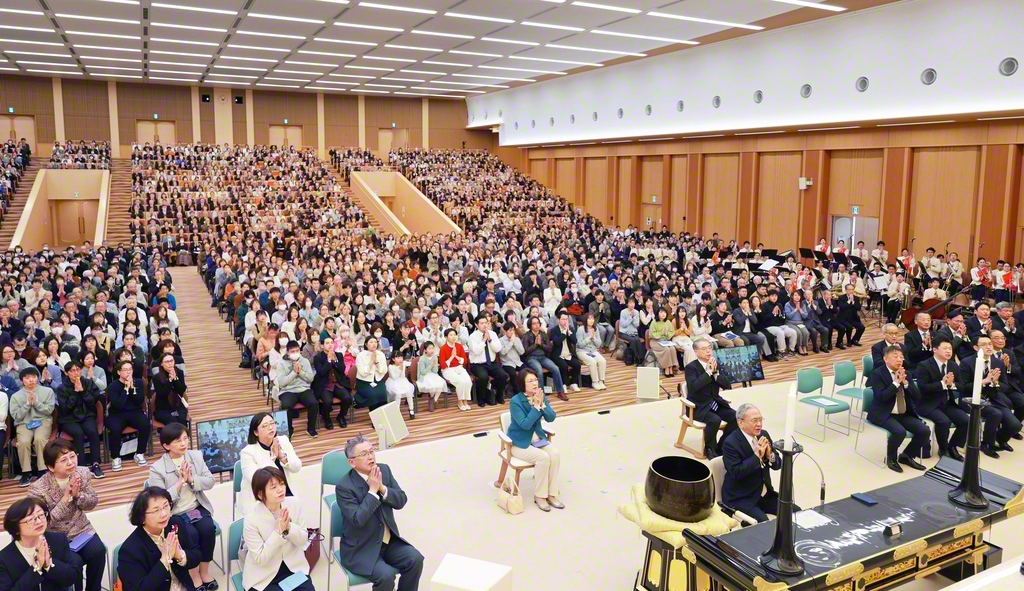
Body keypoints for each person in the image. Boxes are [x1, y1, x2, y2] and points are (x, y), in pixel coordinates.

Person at [335, 436, 423, 591]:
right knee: (386, 576)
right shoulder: (344, 487)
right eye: (364, 454)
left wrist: (382, 488)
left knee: (415, 559)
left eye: (371, 451)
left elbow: (401, 501)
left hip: (388, 541)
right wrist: (373, 491)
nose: (370, 457)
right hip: (361, 548)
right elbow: (357, 519)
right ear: (352, 462)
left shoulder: (384, 470)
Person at [148, 423, 219, 591]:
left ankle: (204, 572)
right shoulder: (157, 469)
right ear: (166, 445)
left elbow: (210, 481)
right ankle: (194, 575)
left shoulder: (195, 456)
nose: (183, 443)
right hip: (174, 513)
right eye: (178, 440)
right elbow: (159, 500)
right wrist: (180, 482)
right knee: (190, 535)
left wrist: (192, 480)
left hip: (196, 507)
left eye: (185, 438)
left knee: (208, 529)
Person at [27, 440, 105, 591]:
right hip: (55, 537)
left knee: (98, 551)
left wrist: (78, 495)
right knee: (74, 564)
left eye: (72, 456)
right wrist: (66, 498)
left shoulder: (82, 473)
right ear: (50, 467)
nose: (70, 462)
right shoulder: (37, 489)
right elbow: (44, 523)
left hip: (82, 529)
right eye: (63, 460)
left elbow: (92, 503)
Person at [242, 467, 315, 591]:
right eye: (273, 487)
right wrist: (278, 532)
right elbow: (260, 559)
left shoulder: (294, 503)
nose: (280, 489)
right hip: (263, 576)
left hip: (293, 568)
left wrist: (288, 527)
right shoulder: (251, 519)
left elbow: (303, 540)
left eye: (282, 484)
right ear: (260, 494)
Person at [117, 487, 201, 591]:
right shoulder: (130, 550)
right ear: (141, 518)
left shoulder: (175, 524)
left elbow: (196, 555)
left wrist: (179, 555)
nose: (164, 514)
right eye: (156, 510)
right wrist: (164, 560)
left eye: (166, 506)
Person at [722, 403, 795, 523]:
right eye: (754, 420)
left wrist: (770, 455)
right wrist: (756, 456)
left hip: (764, 494)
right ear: (741, 423)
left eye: (760, 419)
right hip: (742, 497)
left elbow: (777, 465)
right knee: (764, 525)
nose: (759, 424)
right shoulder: (730, 443)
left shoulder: (763, 434)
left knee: (796, 512)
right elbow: (736, 473)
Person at [866, 345, 930, 473]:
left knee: (924, 431)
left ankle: (907, 456)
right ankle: (891, 458)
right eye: (895, 357)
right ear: (886, 359)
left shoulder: (906, 374)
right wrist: (895, 383)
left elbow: (917, 396)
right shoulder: (877, 374)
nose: (899, 360)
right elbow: (882, 397)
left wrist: (905, 383)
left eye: (901, 357)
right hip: (884, 413)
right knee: (899, 432)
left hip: (902, 412)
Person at [508, 369, 563, 512]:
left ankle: (552, 494)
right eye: (530, 381)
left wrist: (542, 405)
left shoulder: (540, 396)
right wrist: (536, 407)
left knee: (555, 454)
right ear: (522, 384)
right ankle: (540, 496)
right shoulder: (515, 401)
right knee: (543, 457)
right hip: (520, 443)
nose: (534, 383)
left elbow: (551, 418)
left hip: (538, 439)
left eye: (536, 380)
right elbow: (525, 425)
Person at [957, 336, 1021, 458]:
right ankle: (987, 444)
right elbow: (963, 387)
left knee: (1015, 425)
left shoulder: (998, 362)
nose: (988, 347)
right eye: (984, 344)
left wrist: (995, 383)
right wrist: (984, 381)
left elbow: (1005, 386)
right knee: (995, 414)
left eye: (990, 344)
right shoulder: (967, 362)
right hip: (971, 399)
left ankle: (999, 439)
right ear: (976, 348)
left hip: (992, 398)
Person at [0, 497, 79, 591]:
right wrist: (36, 569)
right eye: (30, 519)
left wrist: (49, 564)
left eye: (41, 515)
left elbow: (72, 577)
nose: (38, 521)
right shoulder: (4, 558)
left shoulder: (58, 540)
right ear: (15, 528)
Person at [914, 339, 968, 461]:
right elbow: (923, 387)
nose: (948, 351)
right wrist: (942, 384)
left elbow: (962, 386)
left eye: (950, 348)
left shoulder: (953, 365)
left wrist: (951, 384)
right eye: (945, 348)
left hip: (947, 402)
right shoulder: (924, 365)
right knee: (944, 422)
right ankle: (943, 449)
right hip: (929, 403)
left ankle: (952, 447)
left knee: (966, 421)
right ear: (935, 349)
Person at [239, 413, 302, 517]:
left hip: (283, 492)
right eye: (264, 426)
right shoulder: (247, 452)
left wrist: (282, 457)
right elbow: (256, 479)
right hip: (261, 499)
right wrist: (272, 458)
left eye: (272, 423)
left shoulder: (283, 440)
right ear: (255, 432)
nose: (270, 427)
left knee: (295, 513)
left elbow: (297, 467)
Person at [683, 338, 738, 459]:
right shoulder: (691, 368)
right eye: (704, 349)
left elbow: (727, 385)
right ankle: (709, 448)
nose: (708, 351)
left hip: (715, 403)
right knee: (714, 420)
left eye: (709, 348)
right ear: (696, 352)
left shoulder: (715, 363)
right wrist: (707, 373)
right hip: (698, 406)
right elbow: (693, 387)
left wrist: (715, 374)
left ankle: (722, 446)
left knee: (736, 417)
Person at [55, 361, 105, 479]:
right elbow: (65, 408)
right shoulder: (61, 388)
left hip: (87, 415)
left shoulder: (88, 383)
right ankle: (80, 466)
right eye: (72, 370)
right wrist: (75, 393)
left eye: (78, 369)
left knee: (92, 431)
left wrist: (82, 391)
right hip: (69, 419)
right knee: (78, 433)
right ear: (66, 373)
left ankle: (95, 464)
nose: (76, 373)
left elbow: (94, 401)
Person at [11, 366, 56, 486]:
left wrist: (36, 403)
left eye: (34, 377)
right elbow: (16, 416)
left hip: (43, 421)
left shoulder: (48, 391)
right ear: (22, 380)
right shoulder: (16, 396)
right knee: (23, 442)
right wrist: (27, 404)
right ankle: (26, 472)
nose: (31, 380)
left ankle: (43, 470)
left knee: (40, 439)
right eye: (27, 378)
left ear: (37, 378)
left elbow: (49, 410)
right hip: (24, 423)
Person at [106, 360, 151, 471]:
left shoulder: (138, 382)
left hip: (135, 412)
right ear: (118, 372)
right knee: (115, 429)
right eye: (125, 370)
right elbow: (118, 405)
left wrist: (131, 389)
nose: (128, 372)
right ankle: (115, 457)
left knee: (145, 424)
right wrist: (126, 390)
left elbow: (139, 401)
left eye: (130, 369)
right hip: (117, 414)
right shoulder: (112, 386)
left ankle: (140, 453)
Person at [275, 340, 318, 438]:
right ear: (287, 352)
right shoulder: (281, 364)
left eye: (297, 351)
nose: (295, 353)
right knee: (286, 405)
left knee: (313, 403)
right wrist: (294, 373)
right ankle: (289, 430)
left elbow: (310, 378)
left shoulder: (305, 361)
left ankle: (311, 429)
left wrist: (300, 372)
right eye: (292, 351)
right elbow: (282, 383)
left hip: (303, 389)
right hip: (288, 390)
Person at [312, 335, 352, 429]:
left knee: (347, 398)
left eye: (331, 343)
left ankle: (341, 416)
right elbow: (321, 372)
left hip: (338, 383)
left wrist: (335, 360)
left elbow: (342, 369)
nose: (330, 345)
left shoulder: (338, 355)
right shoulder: (318, 357)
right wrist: (329, 360)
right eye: (327, 343)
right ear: (322, 346)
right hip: (325, 385)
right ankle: (327, 418)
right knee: (327, 401)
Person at [522, 317, 567, 401]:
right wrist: (535, 344)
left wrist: (541, 344)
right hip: (531, 358)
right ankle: (541, 395)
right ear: (530, 325)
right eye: (534, 324)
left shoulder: (543, 334)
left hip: (543, 357)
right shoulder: (526, 336)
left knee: (555, 368)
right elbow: (525, 351)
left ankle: (560, 391)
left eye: (538, 323)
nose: (536, 325)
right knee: (539, 371)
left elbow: (549, 348)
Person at [438, 328, 473, 410]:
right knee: (461, 382)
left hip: (459, 368)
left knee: (468, 381)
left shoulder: (459, 346)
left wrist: (456, 356)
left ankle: (465, 401)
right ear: (446, 337)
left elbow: (465, 361)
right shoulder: (443, 348)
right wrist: (452, 356)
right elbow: (443, 365)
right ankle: (460, 401)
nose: (453, 337)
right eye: (451, 335)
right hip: (448, 370)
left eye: (454, 335)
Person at [152, 352, 189, 426]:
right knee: (173, 422)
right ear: (161, 364)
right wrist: (170, 381)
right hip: (163, 408)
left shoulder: (179, 372)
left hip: (178, 406)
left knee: (181, 420)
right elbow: (162, 394)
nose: (170, 363)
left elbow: (181, 390)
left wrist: (175, 380)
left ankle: (183, 434)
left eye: (171, 361)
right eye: (166, 362)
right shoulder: (156, 377)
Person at [549, 311, 582, 394]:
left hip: (568, 354)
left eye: (566, 319)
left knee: (577, 364)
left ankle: (573, 383)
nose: (565, 321)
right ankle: (563, 384)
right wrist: (564, 333)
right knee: (564, 366)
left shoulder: (571, 329)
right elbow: (557, 342)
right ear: (558, 320)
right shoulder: (554, 330)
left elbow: (574, 341)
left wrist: (569, 333)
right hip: (558, 355)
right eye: (563, 319)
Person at [356, 335, 390, 411]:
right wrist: (371, 362)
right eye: (371, 342)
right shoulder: (360, 356)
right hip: (364, 382)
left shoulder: (380, 354)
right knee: (373, 395)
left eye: (375, 342)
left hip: (378, 380)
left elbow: (384, 371)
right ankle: (374, 416)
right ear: (366, 344)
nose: (374, 344)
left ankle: (382, 415)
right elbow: (363, 373)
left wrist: (376, 362)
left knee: (383, 394)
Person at [575, 313, 607, 390]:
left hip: (593, 351)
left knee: (602, 361)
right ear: (585, 320)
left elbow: (599, 344)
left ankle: (601, 381)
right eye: (589, 319)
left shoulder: (595, 329)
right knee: (592, 362)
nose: (591, 320)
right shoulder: (580, 329)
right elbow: (580, 345)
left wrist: (593, 338)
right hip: (582, 351)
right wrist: (589, 337)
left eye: (592, 318)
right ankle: (594, 382)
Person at [386, 353, 416, 419]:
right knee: (398, 394)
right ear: (393, 359)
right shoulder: (390, 366)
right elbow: (394, 377)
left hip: (402, 381)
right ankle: (397, 411)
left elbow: (402, 376)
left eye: (401, 358)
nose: (400, 360)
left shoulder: (403, 364)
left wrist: (402, 369)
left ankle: (411, 409)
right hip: (393, 382)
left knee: (409, 392)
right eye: (398, 358)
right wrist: (399, 369)